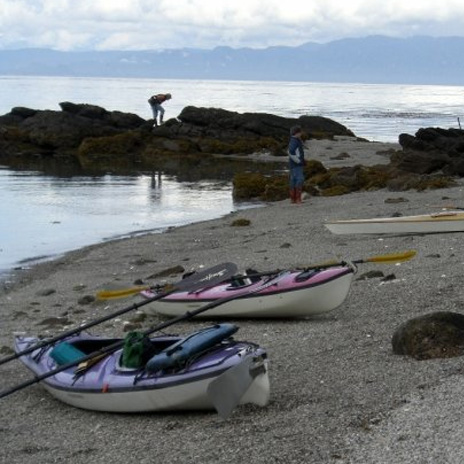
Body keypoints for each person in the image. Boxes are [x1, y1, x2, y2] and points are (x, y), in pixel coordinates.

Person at [288, 125, 305, 204]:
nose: (301, 134)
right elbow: (291, 152)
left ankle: (293, 199)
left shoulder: (294, 140)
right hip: (296, 164)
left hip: (293, 164)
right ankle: (297, 199)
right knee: (299, 179)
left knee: (293, 180)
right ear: (297, 133)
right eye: (300, 132)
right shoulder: (295, 141)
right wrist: (298, 161)